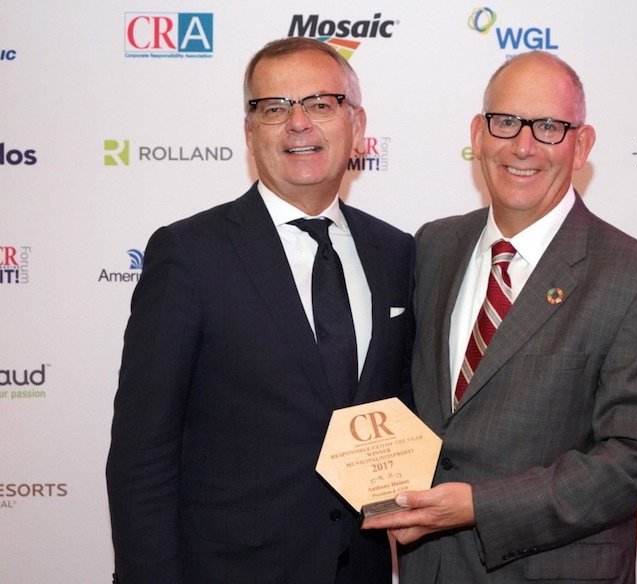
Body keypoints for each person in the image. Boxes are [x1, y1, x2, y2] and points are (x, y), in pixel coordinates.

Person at [362, 51, 637, 583]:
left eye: (549, 127)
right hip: (431, 568)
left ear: (582, 145)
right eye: (506, 122)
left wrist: (481, 506)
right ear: (478, 134)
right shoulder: (434, 245)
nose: (523, 145)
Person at [106, 37, 414, 584]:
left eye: (320, 103)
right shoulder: (189, 254)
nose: (298, 123)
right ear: (250, 131)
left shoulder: (396, 253)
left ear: (357, 125)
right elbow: (142, 453)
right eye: (273, 108)